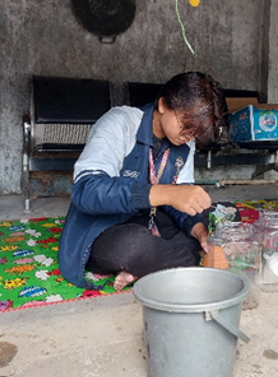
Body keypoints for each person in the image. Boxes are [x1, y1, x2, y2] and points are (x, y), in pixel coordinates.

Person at [58, 72, 225, 291]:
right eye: (185, 125)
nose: (188, 136)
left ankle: (149, 264)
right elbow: (86, 191)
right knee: (132, 246)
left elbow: (179, 205)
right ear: (164, 104)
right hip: (108, 226)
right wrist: (165, 193)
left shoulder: (185, 143)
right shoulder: (121, 123)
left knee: (225, 217)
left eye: (196, 132)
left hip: (151, 220)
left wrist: (201, 232)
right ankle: (160, 260)